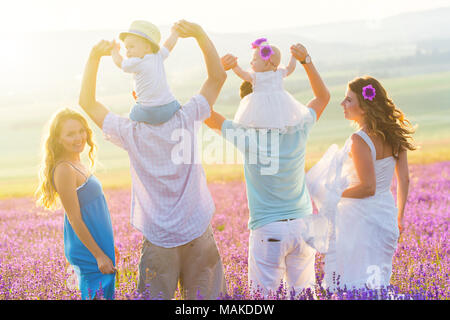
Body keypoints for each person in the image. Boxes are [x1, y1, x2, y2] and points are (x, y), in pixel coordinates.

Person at [78, 20, 227, 300]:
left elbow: (87, 102)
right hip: (197, 231)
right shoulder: (187, 117)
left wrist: (94, 57)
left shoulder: (129, 132)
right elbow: (217, 78)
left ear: (136, 96)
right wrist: (199, 35)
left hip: (158, 240)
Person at [204, 43, 330, 296]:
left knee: (264, 298)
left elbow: (203, 110)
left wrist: (218, 72)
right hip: (304, 224)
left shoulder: (246, 136)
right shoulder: (299, 128)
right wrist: (306, 61)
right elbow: (322, 97)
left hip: (268, 228)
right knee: (305, 294)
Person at [305, 76, 415, 291]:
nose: (342, 104)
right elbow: (404, 179)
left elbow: (368, 187)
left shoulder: (360, 139)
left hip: (359, 220)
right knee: (377, 281)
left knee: (355, 282)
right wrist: (399, 216)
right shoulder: (394, 134)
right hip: (385, 214)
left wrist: (333, 195)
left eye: (348, 100)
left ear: (363, 107)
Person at [35, 108, 116, 300]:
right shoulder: (64, 169)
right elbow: (74, 218)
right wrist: (98, 255)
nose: (78, 137)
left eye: (81, 131)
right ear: (58, 139)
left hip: (99, 242)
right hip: (87, 249)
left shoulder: (77, 162)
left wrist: (107, 247)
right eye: (70, 134)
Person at [228, 38, 310, 130]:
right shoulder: (258, 76)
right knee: (263, 122)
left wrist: (293, 57)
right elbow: (290, 68)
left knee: (275, 120)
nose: (251, 62)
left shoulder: (275, 73)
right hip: (273, 103)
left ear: (267, 62)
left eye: (254, 59)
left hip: (268, 105)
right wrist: (235, 66)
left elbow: (290, 68)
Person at [111, 20, 180, 125]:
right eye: (126, 48)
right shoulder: (158, 56)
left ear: (147, 47)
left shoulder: (137, 62)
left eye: (131, 47)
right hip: (169, 107)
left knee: (133, 114)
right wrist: (175, 33)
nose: (127, 51)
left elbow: (120, 63)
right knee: (177, 104)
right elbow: (169, 45)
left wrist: (114, 51)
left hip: (149, 111)